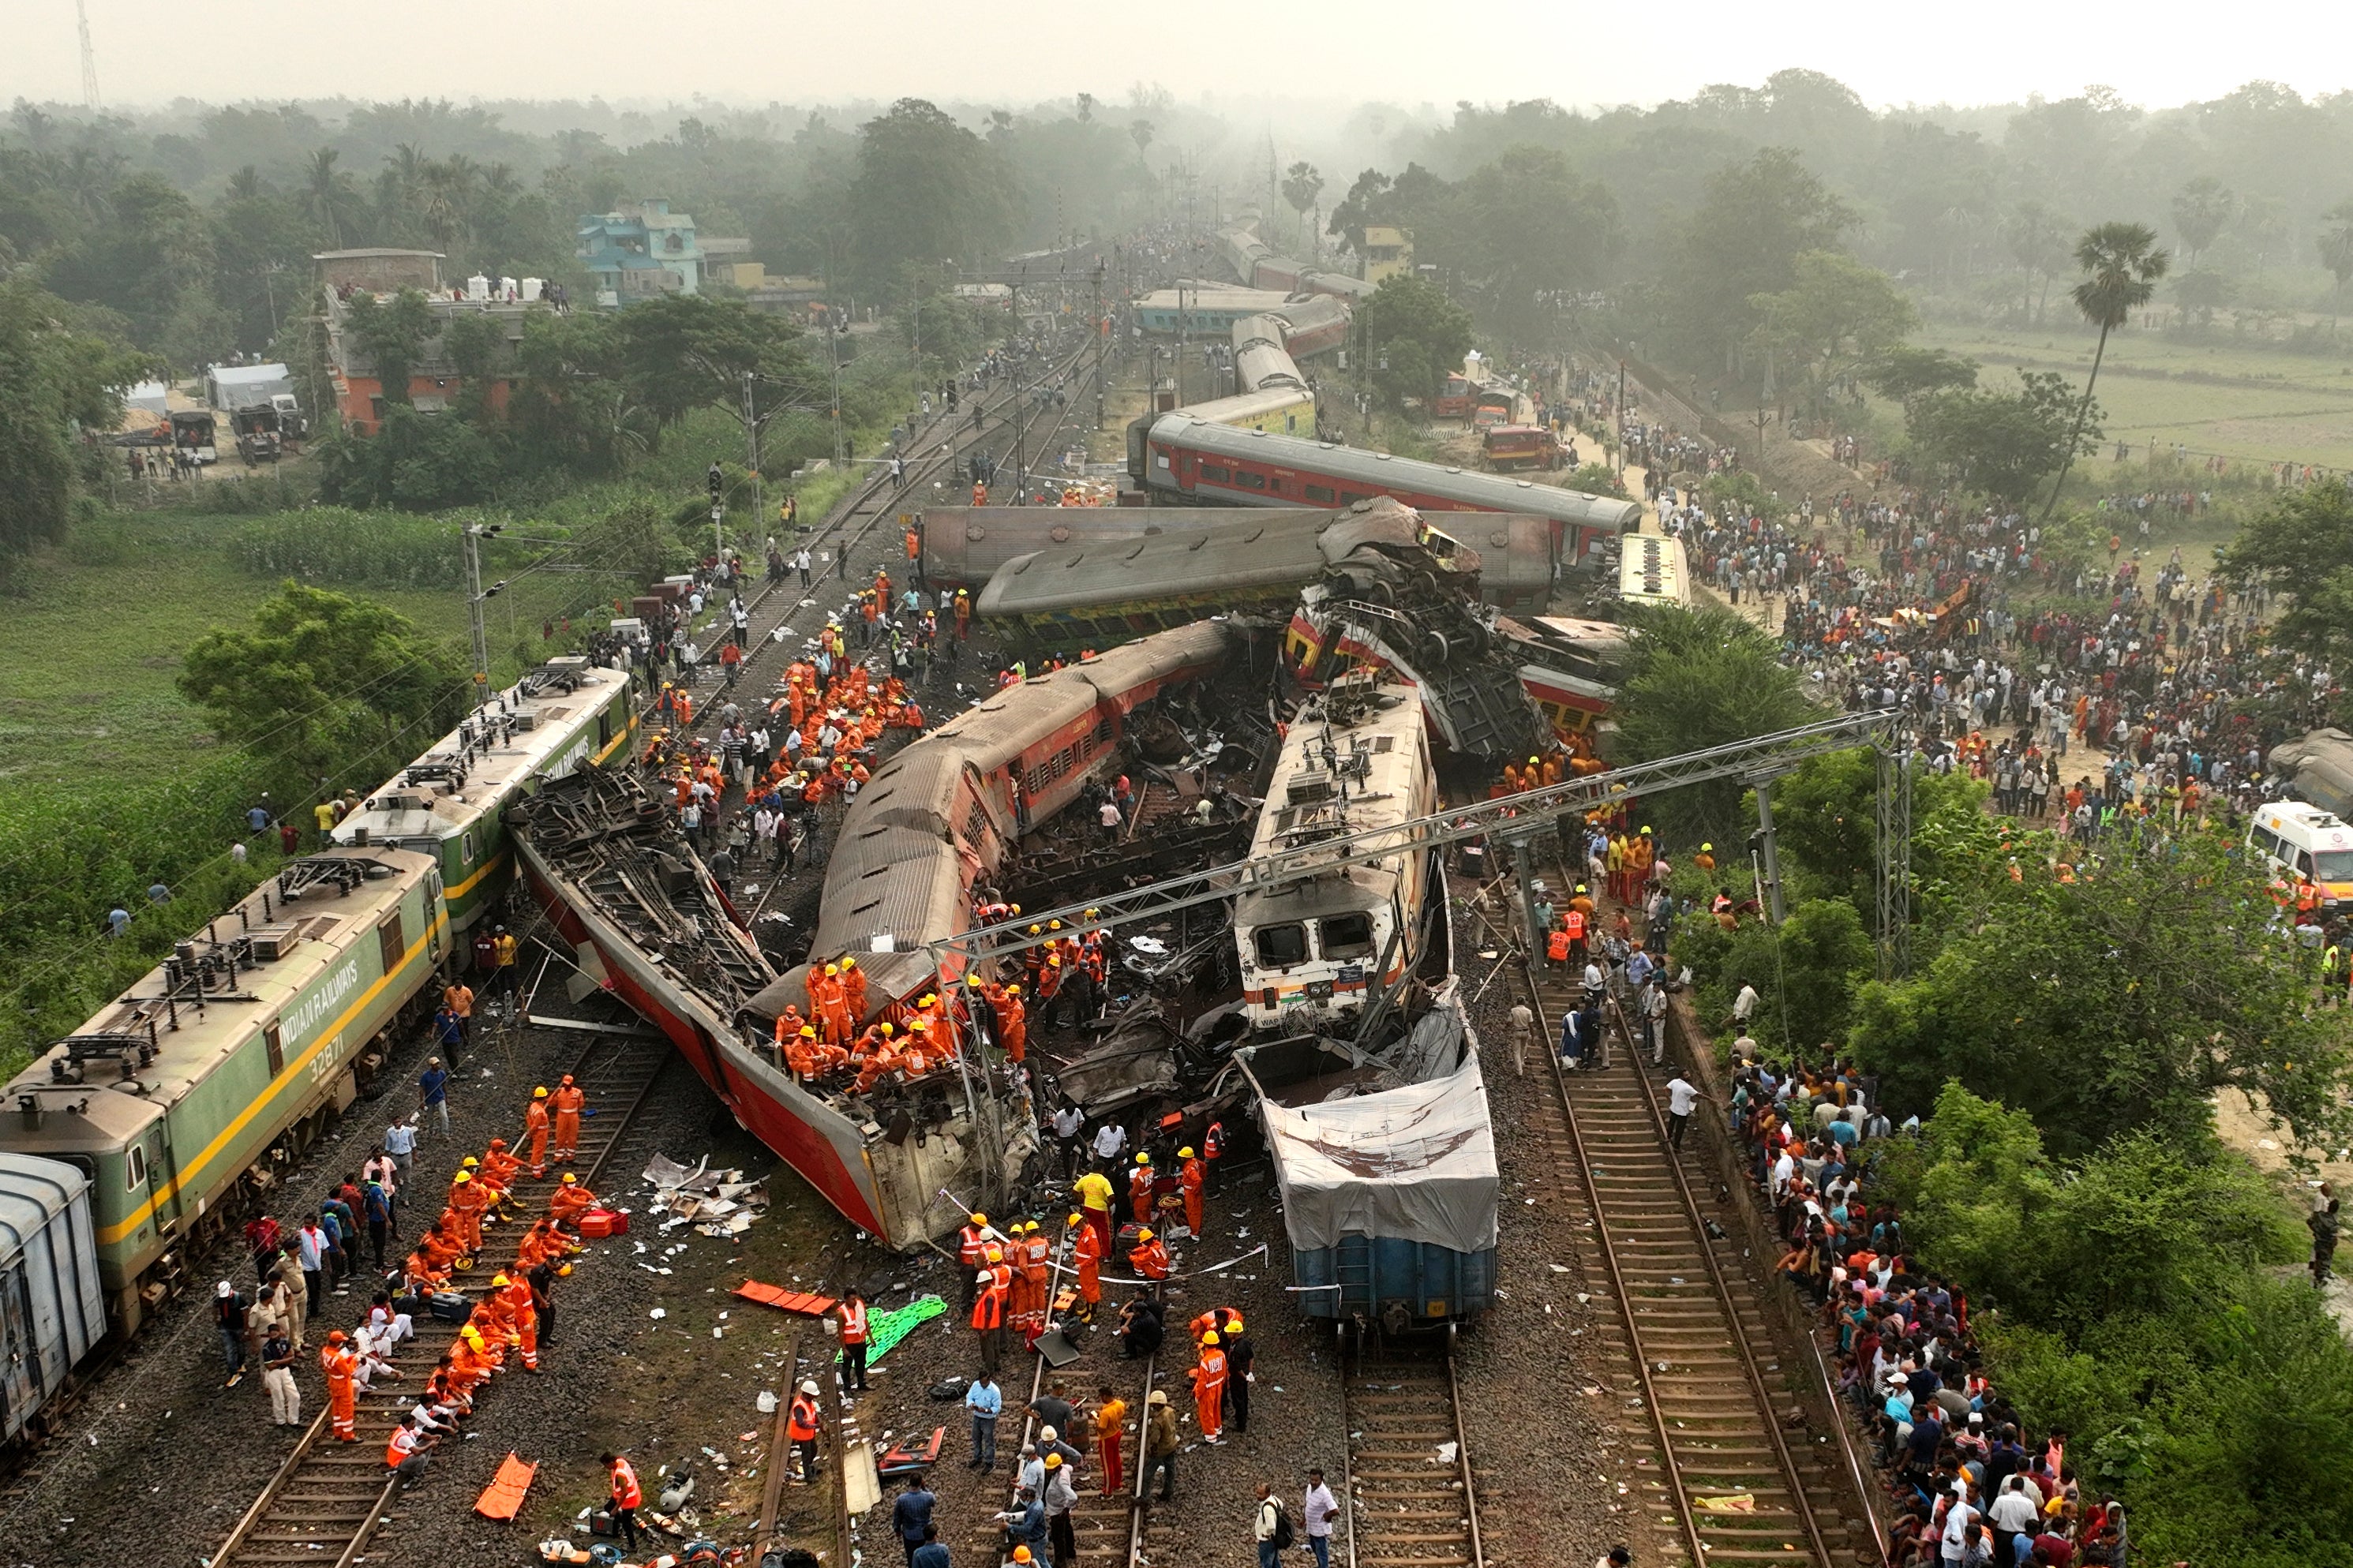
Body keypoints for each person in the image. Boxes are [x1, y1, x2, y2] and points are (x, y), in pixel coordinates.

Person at [1190, 1329, 1228, 1443]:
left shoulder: (1205, 1361)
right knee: (1216, 1409)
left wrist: (1197, 1395)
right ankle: (1218, 1428)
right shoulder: (1221, 1355)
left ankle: (1210, 1436)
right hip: (1219, 1386)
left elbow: (1202, 1382)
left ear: (1205, 1344)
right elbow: (1224, 1372)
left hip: (1208, 1390)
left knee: (1207, 1413)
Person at [1042, 1452, 1078, 1568]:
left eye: (1050, 1469)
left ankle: (1060, 1562)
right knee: (1067, 1529)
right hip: (1060, 1509)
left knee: (1058, 1537)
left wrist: (1067, 1507)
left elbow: (1073, 1497)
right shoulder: (1065, 1469)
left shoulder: (1060, 1481)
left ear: (1056, 1468)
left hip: (1058, 1511)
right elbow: (1071, 1468)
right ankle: (1070, 1552)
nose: (1048, 1471)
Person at [1141, 1388, 1178, 1501]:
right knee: (1170, 1471)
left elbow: (1155, 1439)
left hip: (1161, 1450)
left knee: (1148, 1473)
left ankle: (1144, 1498)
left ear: (1157, 1405)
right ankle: (1168, 1493)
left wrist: (1153, 1450)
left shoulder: (1157, 1420)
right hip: (1172, 1445)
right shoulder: (1170, 1411)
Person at [260, 1322, 300, 1425]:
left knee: (294, 1395)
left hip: (285, 1370)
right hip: (274, 1374)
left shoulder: (285, 1342)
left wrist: (278, 1362)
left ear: (279, 1332)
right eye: (272, 1335)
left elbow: (291, 1356)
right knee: (278, 1397)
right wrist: (285, 1360)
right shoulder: (267, 1348)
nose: (274, 1337)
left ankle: (293, 1420)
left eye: (276, 1334)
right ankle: (281, 1421)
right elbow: (269, 1366)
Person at [602, 1452, 643, 1554]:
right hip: (620, 1495)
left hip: (629, 1500)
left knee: (626, 1524)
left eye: (606, 1465)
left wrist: (616, 1509)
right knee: (608, 1508)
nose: (605, 1467)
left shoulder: (620, 1475)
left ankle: (632, 1545)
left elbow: (625, 1493)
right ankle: (623, 1521)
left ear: (611, 1463)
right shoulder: (620, 1461)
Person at [892, 1475, 936, 1567]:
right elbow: (934, 1502)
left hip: (909, 1534)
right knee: (926, 1556)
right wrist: (925, 1488)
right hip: (925, 1533)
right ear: (921, 1483)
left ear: (910, 1484)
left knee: (911, 1557)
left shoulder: (902, 1499)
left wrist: (897, 1530)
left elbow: (897, 1516)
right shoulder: (928, 1497)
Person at [1093, 1382, 1128, 1496]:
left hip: (1107, 1439)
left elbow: (1101, 1429)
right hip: (1117, 1433)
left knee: (1108, 1466)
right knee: (1116, 1460)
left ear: (1105, 1396)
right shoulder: (1119, 1404)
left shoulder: (1106, 1413)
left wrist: (1096, 1420)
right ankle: (1118, 1484)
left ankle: (1107, 1491)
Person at [385, 1411, 437, 1487]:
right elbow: (417, 1452)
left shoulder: (409, 1428)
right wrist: (430, 1445)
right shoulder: (403, 1436)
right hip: (398, 1462)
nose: (415, 1425)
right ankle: (416, 1476)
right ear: (406, 1424)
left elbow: (423, 1435)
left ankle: (423, 1466)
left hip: (407, 1455)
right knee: (421, 1457)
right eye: (413, 1423)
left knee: (429, 1442)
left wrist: (433, 1438)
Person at [1663, 1073, 1714, 1148]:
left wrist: (1669, 1098)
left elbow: (1665, 1088)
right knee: (1679, 1130)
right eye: (1687, 1075)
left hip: (1674, 1108)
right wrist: (1710, 1099)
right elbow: (1699, 1095)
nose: (1689, 1075)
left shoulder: (1675, 1081)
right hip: (1682, 1112)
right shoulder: (1687, 1087)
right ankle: (1676, 1146)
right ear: (1683, 1077)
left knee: (1671, 1124)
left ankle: (1668, 1137)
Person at [215, 1281, 250, 1386]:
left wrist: (246, 1329)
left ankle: (241, 1364)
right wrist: (217, 1319)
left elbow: (246, 1314)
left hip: (238, 1327)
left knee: (240, 1348)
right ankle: (234, 1373)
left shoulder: (239, 1299)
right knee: (229, 1350)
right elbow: (215, 1309)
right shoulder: (219, 1299)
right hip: (226, 1327)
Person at [789, 1378, 823, 1480]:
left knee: (814, 1450)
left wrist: (819, 1423)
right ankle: (808, 1475)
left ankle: (809, 1467)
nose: (815, 1396)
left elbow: (813, 1413)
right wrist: (816, 1426)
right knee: (807, 1454)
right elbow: (801, 1423)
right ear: (807, 1393)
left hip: (809, 1433)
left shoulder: (808, 1401)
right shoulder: (799, 1407)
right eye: (813, 1395)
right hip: (802, 1435)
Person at [838, 1286, 872, 1390]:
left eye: (855, 1298)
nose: (855, 1301)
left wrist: (870, 1337)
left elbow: (865, 1321)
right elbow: (840, 1331)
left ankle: (861, 1383)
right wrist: (844, 1348)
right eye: (852, 1299)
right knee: (847, 1367)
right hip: (850, 1344)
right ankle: (847, 1387)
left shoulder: (860, 1305)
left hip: (861, 1342)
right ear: (846, 1299)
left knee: (861, 1364)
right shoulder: (841, 1312)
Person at [1302, 1468, 1338, 1568]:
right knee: (1316, 1549)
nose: (1313, 1482)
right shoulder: (1310, 1488)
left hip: (1320, 1530)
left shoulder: (1324, 1493)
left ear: (1321, 1480)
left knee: (1322, 1553)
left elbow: (1335, 1510)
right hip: (1311, 1528)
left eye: (1316, 1480)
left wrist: (1327, 1515)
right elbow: (1308, 1504)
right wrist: (1303, 1519)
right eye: (1311, 1479)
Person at [967, 1369, 1002, 1469]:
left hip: (988, 1420)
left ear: (989, 1380)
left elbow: (997, 1408)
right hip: (977, 1417)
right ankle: (977, 1458)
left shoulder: (995, 1391)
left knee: (988, 1441)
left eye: (984, 1383)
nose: (982, 1385)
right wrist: (971, 1404)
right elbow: (969, 1397)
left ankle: (989, 1463)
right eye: (981, 1383)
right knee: (976, 1438)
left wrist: (986, 1410)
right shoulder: (975, 1385)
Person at [1253, 1482, 1289, 1568]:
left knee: (1266, 1563)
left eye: (1261, 1494)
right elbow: (1281, 1505)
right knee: (1275, 1563)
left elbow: (1271, 1526)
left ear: (1268, 1493)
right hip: (1275, 1538)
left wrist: (1266, 1534)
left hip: (1267, 1540)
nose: (1258, 1496)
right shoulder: (1274, 1499)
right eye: (1257, 1492)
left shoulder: (1267, 1508)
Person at [551, 1074, 586, 1162]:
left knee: (572, 1136)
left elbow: (581, 1104)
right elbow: (551, 1103)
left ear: (571, 1084)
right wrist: (554, 1094)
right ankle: (558, 1157)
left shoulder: (578, 1092)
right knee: (560, 1135)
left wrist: (573, 1111)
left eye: (568, 1084)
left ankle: (571, 1157)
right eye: (565, 1084)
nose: (566, 1086)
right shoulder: (559, 1092)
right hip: (562, 1115)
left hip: (573, 1116)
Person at [2310, 1196, 2340, 1285]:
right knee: (2325, 1262)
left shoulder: (2319, 1215)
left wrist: (2316, 1230)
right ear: (2336, 1210)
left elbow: (2309, 1221)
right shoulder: (2334, 1223)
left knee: (2318, 1259)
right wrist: (2333, 1244)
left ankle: (2317, 1277)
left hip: (2318, 1242)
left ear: (2328, 1207)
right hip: (2326, 1245)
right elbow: (2334, 1238)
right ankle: (2319, 1282)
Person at [418, 1057, 451, 1137]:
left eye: (438, 1063)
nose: (438, 1065)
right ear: (432, 1066)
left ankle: (445, 1133)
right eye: (436, 1064)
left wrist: (447, 1097)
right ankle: (431, 1130)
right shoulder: (426, 1076)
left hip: (440, 1097)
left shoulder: (442, 1074)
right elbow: (422, 1089)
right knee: (430, 1117)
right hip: (430, 1099)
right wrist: (421, 1101)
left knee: (444, 1116)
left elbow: (444, 1085)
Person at [1507, 1001, 1534, 1077]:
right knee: (1524, 1047)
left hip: (1517, 1031)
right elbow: (1531, 1025)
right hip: (1526, 1031)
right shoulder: (1529, 1011)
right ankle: (1521, 1062)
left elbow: (1509, 1022)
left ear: (1517, 1003)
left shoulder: (1513, 1011)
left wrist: (1508, 1026)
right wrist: (1533, 1036)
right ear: (1524, 1002)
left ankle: (1519, 1070)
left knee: (1516, 1051)